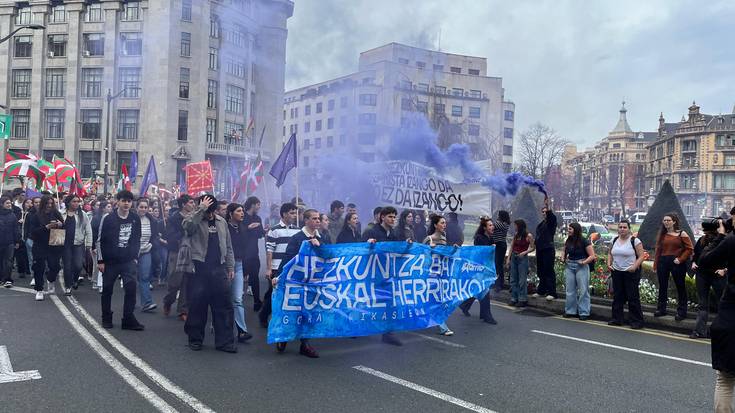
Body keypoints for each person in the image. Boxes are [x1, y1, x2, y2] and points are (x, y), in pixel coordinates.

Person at [182, 195, 236, 352]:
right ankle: (195, 339)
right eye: (208, 212)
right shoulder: (194, 218)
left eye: (212, 211)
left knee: (224, 307)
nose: (210, 215)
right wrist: (201, 209)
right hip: (199, 268)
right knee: (198, 306)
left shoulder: (221, 222)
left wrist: (230, 267)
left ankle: (225, 342)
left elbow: (229, 246)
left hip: (219, 269)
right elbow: (188, 226)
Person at [697, 219, 735, 412]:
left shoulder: (731, 240)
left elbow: (704, 260)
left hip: (730, 318)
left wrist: (720, 236)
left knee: (726, 380)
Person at [273, 208, 321, 358]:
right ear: (306, 220)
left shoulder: (322, 236)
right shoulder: (297, 238)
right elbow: (288, 259)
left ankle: (305, 344)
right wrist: (279, 276)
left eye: (319, 218)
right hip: (297, 281)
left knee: (309, 312)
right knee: (293, 310)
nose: (317, 221)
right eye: (314, 218)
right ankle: (284, 335)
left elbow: (330, 255)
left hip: (313, 282)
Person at [97, 190, 143, 330]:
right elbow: (100, 240)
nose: (126, 204)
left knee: (131, 288)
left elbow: (137, 239)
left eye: (129, 201)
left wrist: (135, 257)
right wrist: (100, 261)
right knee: (107, 289)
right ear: (118, 201)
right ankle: (106, 317)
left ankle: (128, 318)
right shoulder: (108, 218)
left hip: (128, 261)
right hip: (110, 261)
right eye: (123, 201)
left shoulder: (135, 218)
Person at [362, 206, 404, 346]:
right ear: (382, 217)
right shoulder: (371, 231)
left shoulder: (394, 233)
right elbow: (359, 250)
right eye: (390, 216)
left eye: (394, 217)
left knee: (389, 302)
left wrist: (407, 246)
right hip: (372, 273)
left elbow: (398, 251)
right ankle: (360, 328)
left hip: (387, 274)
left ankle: (388, 333)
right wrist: (367, 244)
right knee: (368, 301)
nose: (393, 219)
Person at [261, 202, 299, 328]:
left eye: (295, 213)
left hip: (292, 267)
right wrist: (269, 268)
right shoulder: (274, 230)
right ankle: (264, 315)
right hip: (277, 267)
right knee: (275, 294)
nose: (294, 215)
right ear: (284, 214)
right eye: (291, 213)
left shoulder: (297, 231)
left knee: (288, 294)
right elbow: (269, 250)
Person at [653, 213, 694, 320]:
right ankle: (661, 309)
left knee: (680, 287)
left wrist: (680, 259)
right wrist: (655, 265)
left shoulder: (682, 233)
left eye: (668, 220)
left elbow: (690, 249)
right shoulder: (662, 234)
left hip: (676, 263)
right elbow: (658, 250)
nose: (666, 222)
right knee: (662, 287)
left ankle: (682, 312)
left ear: (674, 222)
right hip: (663, 262)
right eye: (664, 220)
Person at [690, 221, 727, 338]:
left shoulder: (724, 240)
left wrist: (725, 270)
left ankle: (721, 331)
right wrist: (693, 262)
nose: (705, 232)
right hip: (702, 274)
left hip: (718, 275)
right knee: (702, 304)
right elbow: (695, 255)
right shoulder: (701, 240)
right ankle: (699, 331)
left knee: (722, 304)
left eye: (706, 230)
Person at [607, 220, 646, 329]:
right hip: (617, 272)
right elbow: (610, 253)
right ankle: (617, 319)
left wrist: (634, 267)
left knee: (632, 297)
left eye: (625, 227)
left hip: (630, 272)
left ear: (629, 229)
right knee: (618, 296)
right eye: (620, 227)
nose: (622, 229)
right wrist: (609, 263)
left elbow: (641, 256)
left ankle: (636, 321)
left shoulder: (635, 241)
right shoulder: (614, 240)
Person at [459, 216, 497, 324]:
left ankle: (465, 305)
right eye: (490, 225)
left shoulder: (490, 237)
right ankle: (487, 316)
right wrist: (490, 248)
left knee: (478, 289)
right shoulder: (479, 237)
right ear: (484, 227)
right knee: (484, 290)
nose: (492, 227)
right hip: (479, 268)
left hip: (486, 267)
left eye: (492, 225)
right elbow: (480, 252)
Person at [163, 194, 196, 320]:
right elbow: (169, 236)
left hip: (190, 252)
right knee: (175, 282)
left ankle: (183, 310)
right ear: (183, 204)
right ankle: (168, 300)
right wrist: (183, 231)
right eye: (191, 202)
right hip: (177, 252)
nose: (193, 205)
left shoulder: (195, 218)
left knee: (186, 281)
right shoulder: (174, 218)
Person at [422, 214, 455, 336]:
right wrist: (429, 249)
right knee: (436, 300)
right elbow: (421, 255)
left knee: (435, 300)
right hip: (430, 275)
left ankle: (427, 319)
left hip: (441, 274)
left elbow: (445, 256)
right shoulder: (428, 239)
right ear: (435, 225)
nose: (444, 225)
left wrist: (453, 250)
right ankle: (442, 327)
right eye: (442, 223)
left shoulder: (444, 239)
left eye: (445, 223)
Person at [27, 195, 64, 301]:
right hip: (40, 244)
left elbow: (64, 226)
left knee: (55, 266)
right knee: (39, 267)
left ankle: (50, 279)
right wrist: (46, 227)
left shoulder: (56, 213)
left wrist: (60, 224)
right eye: (47, 203)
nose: (49, 206)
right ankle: (39, 290)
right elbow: (33, 232)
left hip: (54, 243)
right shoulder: (36, 216)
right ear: (43, 204)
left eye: (51, 203)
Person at [226, 202, 253, 343]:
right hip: (224, 266)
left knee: (237, 298)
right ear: (231, 214)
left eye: (242, 210)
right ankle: (219, 325)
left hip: (239, 265)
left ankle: (242, 331)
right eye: (238, 211)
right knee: (223, 298)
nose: (242, 213)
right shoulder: (224, 227)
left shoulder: (243, 228)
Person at [562, 222, 596, 320]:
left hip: (581, 265)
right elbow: (564, 250)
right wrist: (563, 257)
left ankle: (584, 312)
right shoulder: (568, 240)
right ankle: (570, 311)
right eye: (568, 229)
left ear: (576, 230)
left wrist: (584, 262)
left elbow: (592, 255)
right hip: (570, 265)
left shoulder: (584, 241)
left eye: (570, 229)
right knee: (570, 290)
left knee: (583, 290)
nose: (568, 231)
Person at [61, 194, 92, 295]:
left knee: (78, 265)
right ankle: (68, 286)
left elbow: (88, 230)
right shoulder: (62, 213)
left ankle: (75, 279)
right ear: (68, 202)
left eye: (78, 201)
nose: (76, 203)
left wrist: (89, 244)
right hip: (65, 244)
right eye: (74, 201)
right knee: (67, 266)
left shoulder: (82, 214)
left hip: (78, 243)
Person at [135, 198, 159, 313]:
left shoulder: (152, 220)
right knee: (131, 279)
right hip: (132, 253)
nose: (143, 209)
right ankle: (131, 302)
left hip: (146, 251)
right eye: (141, 207)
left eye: (145, 207)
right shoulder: (132, 219)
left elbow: (154, 236)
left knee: (144, 277)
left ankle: (147, 303)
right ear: (137, 207)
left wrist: (151, 244)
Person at [242, 196, 266, 311]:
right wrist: (249, 228)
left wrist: (264, 231)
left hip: (253, 252)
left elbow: (260, 233)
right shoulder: (243, 217)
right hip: (242, 252)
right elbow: (239, 232)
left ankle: (257, 301)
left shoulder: (258, 218)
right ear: (252, 204)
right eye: (258, 204)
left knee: (255, 277)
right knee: (239, 276)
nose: (259, 207)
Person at [534, 198, 557, 301]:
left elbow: (551, 217)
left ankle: (551, 292)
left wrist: (548, 207)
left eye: (545, 212)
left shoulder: (551, 222)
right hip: (540, 249)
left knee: (548, 270)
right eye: (542, 212)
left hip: (548, 249)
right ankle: (541, 290)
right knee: (540, 270)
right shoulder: (541, 224)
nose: (544, 213)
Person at [507, 219, 534, 307]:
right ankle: (514, 298)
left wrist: (525, 252)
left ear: (520, 226)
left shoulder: (528, 235)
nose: (514, 227)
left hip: (522, 257)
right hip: (514, 257)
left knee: (522, 280)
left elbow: (533, 247)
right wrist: (508, 258)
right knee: (513, 279)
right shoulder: (516, 235)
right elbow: (511, 246)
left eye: (516, 225)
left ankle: (522, 299)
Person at [91, 201, 112, 291]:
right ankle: (96, 282)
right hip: (98, 244)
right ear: (103, 208)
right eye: (108, 206)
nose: (110, 208)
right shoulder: (96, 218)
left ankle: (103, 283)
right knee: (98, 264)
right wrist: (93, 246)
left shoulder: (112, 218)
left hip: (109, 245)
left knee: (106, 265)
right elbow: (93, 233)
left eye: (111, 206)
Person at [0, 196, 20, 288]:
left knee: (9, 261)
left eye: (10, 203)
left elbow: (16, 229)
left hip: (9, 242)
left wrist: (17, 241)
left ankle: (8, 279)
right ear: (2, 204)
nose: (9, 205)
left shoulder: (12, 215)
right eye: (7, 203)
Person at [14, 198, 33, 281]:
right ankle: (21, 271)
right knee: (20, 255)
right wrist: (18, 221)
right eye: (27, 202)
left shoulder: (32, 214)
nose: (29, 204)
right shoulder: (19, 212)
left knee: (29, 255)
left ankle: (29, 270)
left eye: (30, 203)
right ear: (24, 204)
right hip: (19, 237)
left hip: (28, 236)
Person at [492, 210, 510, 291]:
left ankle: (499, 283)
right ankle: (498, 282)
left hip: (500, 245)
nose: (498, 216)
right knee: (497, 264)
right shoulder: (503, 224)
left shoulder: (503, 224)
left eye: (499, 215)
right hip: (499, 245)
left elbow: (493, 225)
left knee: (498, 264)